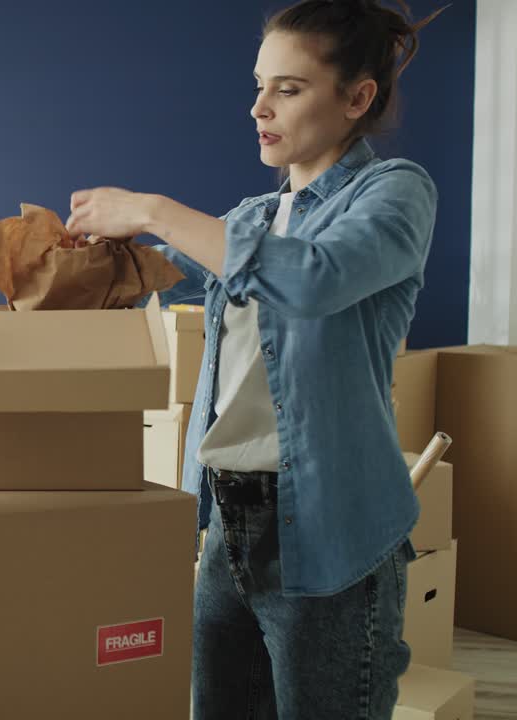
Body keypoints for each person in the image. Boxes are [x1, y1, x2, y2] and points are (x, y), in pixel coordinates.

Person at [65, 1, 444, 716]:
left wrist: (148, 208)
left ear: (358, 97)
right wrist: (96, 257)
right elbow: (171, 269)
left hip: (329, 534)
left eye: (289, 89)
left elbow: (311, 277)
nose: (258, 107)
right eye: (259, 84)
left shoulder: (396, 194)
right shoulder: (249, 218)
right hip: (226, 527)